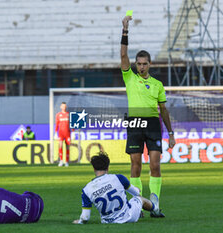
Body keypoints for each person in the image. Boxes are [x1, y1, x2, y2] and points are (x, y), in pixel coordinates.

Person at [120, 15, 176, 216]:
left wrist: (171, 133)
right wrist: (125, 30)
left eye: (144, 63)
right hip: (135, 123)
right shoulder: (130, 78)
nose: (141, 66)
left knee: (155, 164)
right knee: (135, 165)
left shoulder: (158, 85)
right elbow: (123, 55)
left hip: (153, 124)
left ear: (150, 64)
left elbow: (164, 110)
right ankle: (137, 203)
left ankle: (155, 204)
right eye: (139, 63)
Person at [72, 152, 162, 224]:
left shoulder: (86, 190)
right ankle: (155, 209)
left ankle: (154, 209)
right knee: (139, 199)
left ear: (94, 168)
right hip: (129, 217)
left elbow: (85, 217)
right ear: (108, 167)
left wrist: (79, 221)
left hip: (107, 222)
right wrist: (137, 190)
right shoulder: (118, 178)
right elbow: (135, 193)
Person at [55, 102, 71, 167]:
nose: (64, 107)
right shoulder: (58, 115)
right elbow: (57, 124)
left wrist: (73, 132)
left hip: (67, 133)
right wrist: (55, 132)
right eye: (63, 106)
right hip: (61, 133)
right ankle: (61, 161)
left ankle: (66, 161)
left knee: (67, 147)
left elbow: (71, 124)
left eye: (65, 106)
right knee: (60, 145)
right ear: (61, 107)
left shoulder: (68, 114)